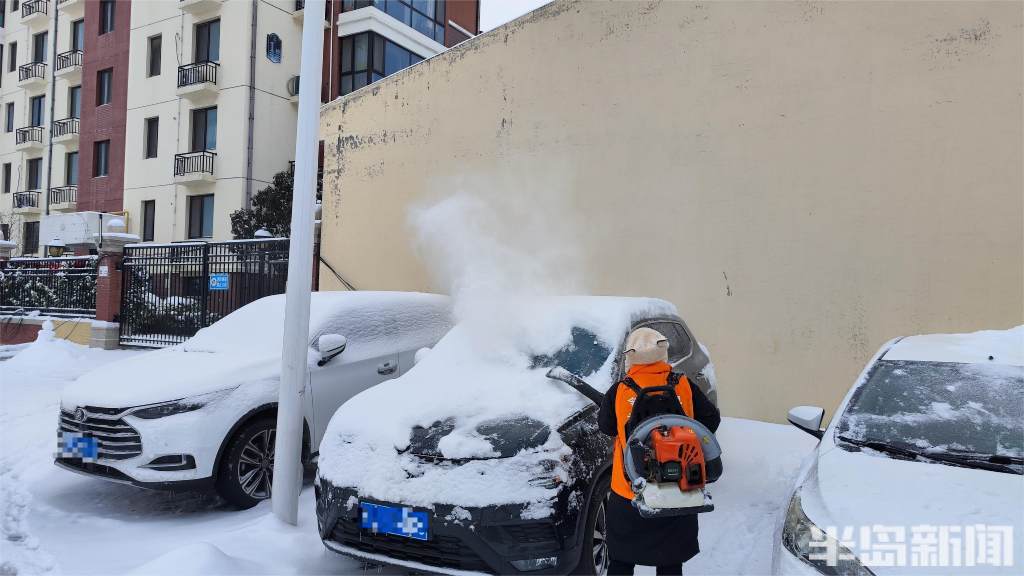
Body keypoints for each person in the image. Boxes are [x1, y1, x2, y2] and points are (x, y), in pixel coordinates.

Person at [598, 327, 721, 576]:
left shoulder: (619, 390)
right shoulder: (684, 384)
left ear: (629, 357)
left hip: (629, 489)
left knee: (621, 560)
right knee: (670, 561)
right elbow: (711, 420)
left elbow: (606, 427)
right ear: (663, 354)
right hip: (678, 486)